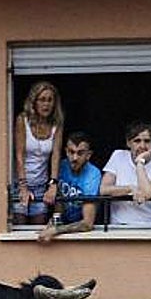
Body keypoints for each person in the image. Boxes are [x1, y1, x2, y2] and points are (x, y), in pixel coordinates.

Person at [12, 80, 64, 225]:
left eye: (50, 100)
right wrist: (23, 186)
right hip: (20, 183)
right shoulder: (23, 120)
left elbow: (56, 154)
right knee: (19, 228)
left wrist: (53, 184)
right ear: (34, 102)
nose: (46, 104)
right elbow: (19, 154)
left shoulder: (56, 123)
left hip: (41, 184)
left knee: (38, 228)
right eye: (42, 100)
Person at [100, 120, 151, 226]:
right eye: (137, 141)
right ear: (128, 143)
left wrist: (140, 163)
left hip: (150, 224)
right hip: (119, 224)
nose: (142, 145)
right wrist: (130, 188)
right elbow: (103, 189)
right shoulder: (118, 156)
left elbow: (148, 193)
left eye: (147, 141)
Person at [38, 131, 101, 241]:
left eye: (80, 153)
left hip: (85, 235)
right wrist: (54, 223)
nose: (75, 158)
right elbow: (59, 204)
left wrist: (56, 230)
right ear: (66, 151)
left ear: (88, 155)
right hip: (66, 225)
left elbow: (87, 223)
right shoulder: (61, 166)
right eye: (71, 152)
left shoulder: (93, 174)